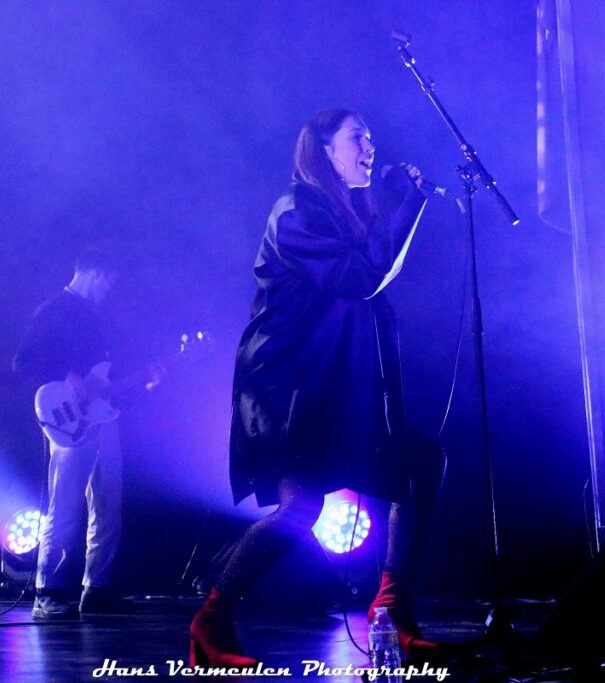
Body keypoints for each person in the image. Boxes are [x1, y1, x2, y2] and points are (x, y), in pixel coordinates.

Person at [189, 109, 447, 666]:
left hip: (327, 388)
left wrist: (390, 205)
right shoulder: (296, 214)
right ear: (324, 150)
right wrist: (408, 204)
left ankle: (391, 611)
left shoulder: (339, 213)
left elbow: (371, 273)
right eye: (358, 137)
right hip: (285, 391)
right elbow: (364, 277)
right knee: (301, 506)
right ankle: (210, 621)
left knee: (418, 464)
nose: (371, 147)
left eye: (372, 137)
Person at [13, 247, 136, 619]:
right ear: (96, 272)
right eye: (109, 281)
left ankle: (97, 587)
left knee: (108, 504)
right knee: (64, 505)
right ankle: (47, 591)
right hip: (69, 422)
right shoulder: (54, 310)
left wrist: (142, 381)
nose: (110, 290)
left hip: (103, 418)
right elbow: (23, 362)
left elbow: (104, 376)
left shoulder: (97, 317)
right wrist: (65, 375)